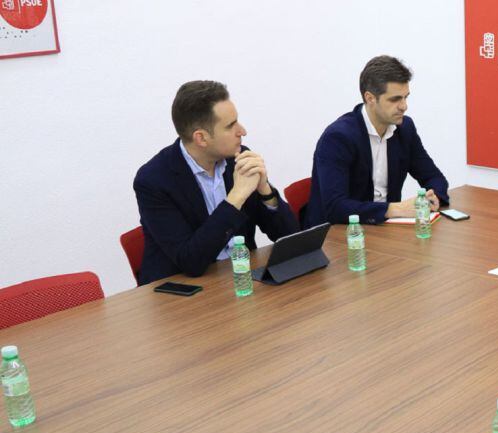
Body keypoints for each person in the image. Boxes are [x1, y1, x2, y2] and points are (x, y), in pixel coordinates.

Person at [134, 81, 299, 286]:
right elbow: (191, 262)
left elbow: (291, 238)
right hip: (182, 295)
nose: (243, 131)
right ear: (201, 138)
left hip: (239, 280)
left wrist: (265, 189)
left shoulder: (238, 159)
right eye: (231, 126)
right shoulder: (154, 180)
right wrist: (236, 198)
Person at [305, 55, 449, 227]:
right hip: (339, 236)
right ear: (370, 98)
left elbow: (434, 177)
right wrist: (395, 209)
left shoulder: (405, 129)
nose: (404, 106)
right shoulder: (338, 138)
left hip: (385, 230)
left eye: (406, 97)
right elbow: (336, 207)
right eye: (395, 99)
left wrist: (431, 198)